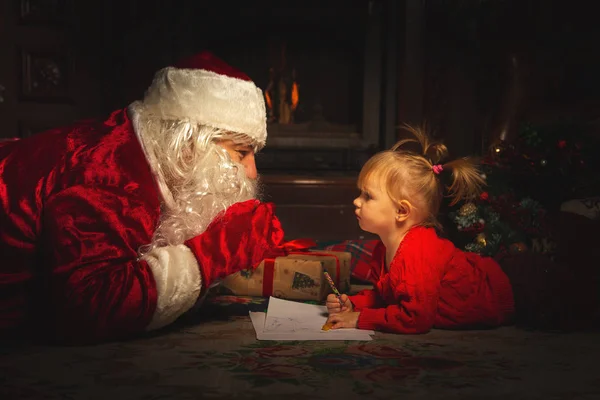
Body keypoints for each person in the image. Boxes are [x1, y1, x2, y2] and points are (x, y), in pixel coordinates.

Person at [0, 51, 286, 344]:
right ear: (190, 140)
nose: (252, 173)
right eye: (241, 152)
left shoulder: (137, 148)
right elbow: (86, 308)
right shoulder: (109, 174)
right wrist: (215, 251)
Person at [325, 125, 598, 334]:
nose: (356, 201)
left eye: (367, 196)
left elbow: (415, 318)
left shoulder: (417, 252)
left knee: (584, 303)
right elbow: (389, 297)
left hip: (520, 288)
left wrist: (360, 319)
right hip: (504, 274)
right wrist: (355, 303)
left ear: (402, 211)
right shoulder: (384, 249)